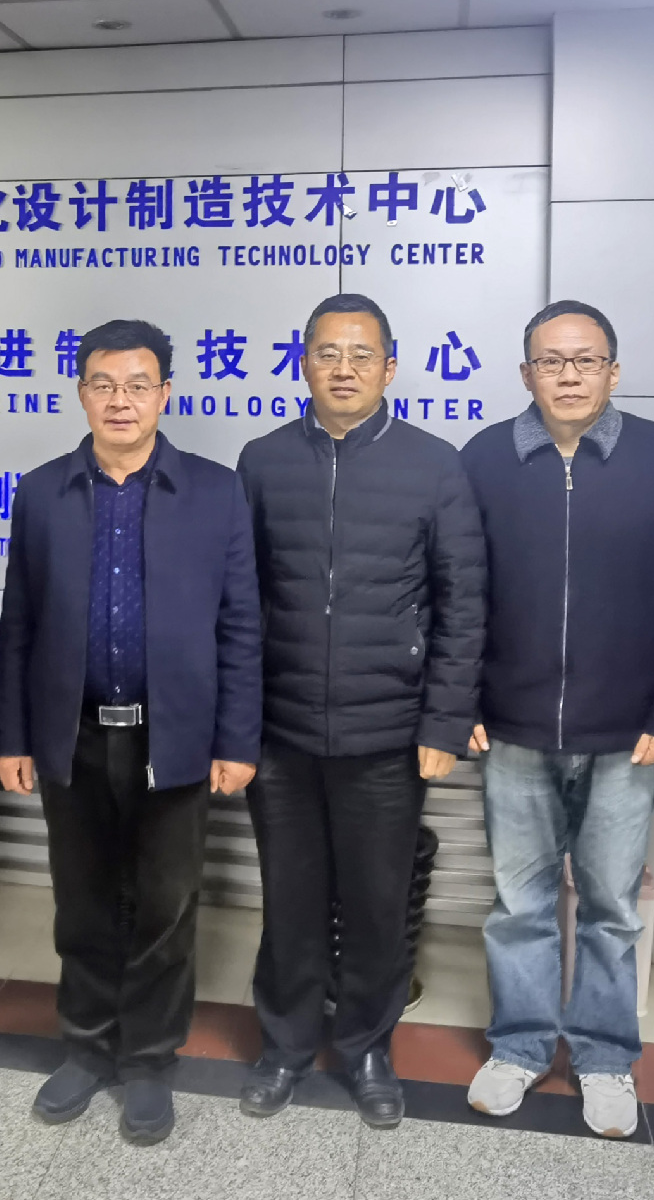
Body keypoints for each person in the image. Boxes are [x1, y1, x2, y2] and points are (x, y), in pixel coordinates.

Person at [459, 300, 654, 1139]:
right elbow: (455, 593)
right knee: (519, 904)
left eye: (585, 360)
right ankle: (519, 1045)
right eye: (550, 360)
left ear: (613, 370)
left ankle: (605, 1057)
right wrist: (459, 701)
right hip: (511, 727)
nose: (567, 375)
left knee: (610, 904)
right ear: (524, 373)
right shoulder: (484, 458)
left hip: (627, 733)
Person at [0, 319, 261, 1147]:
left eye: (138, 384)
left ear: (164, 394)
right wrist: (12, 735)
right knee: (80, 901)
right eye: (104, 384)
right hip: (71, 733)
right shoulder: (42, 491)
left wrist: (236, 740)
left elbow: (240, 626)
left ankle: (146, 1058)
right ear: (81, 392)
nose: (121, 400)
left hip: (174, 736)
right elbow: (18, 624)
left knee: (164, 907)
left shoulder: (214, 491)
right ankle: (84, 1045)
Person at [234, 293, 485, 1127]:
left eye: (361, 354)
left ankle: (367, 1047)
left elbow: (462, 603)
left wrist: (443, 721)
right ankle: (283, 1043)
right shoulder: (263, 460)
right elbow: (239, 599)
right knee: (290, 899)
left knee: (377, 905)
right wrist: (237, 724)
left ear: (389, 366)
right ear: (302, 362)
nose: (343, 369)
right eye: (326, 352)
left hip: (388, 734)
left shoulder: (433, 465)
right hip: (280, 733)